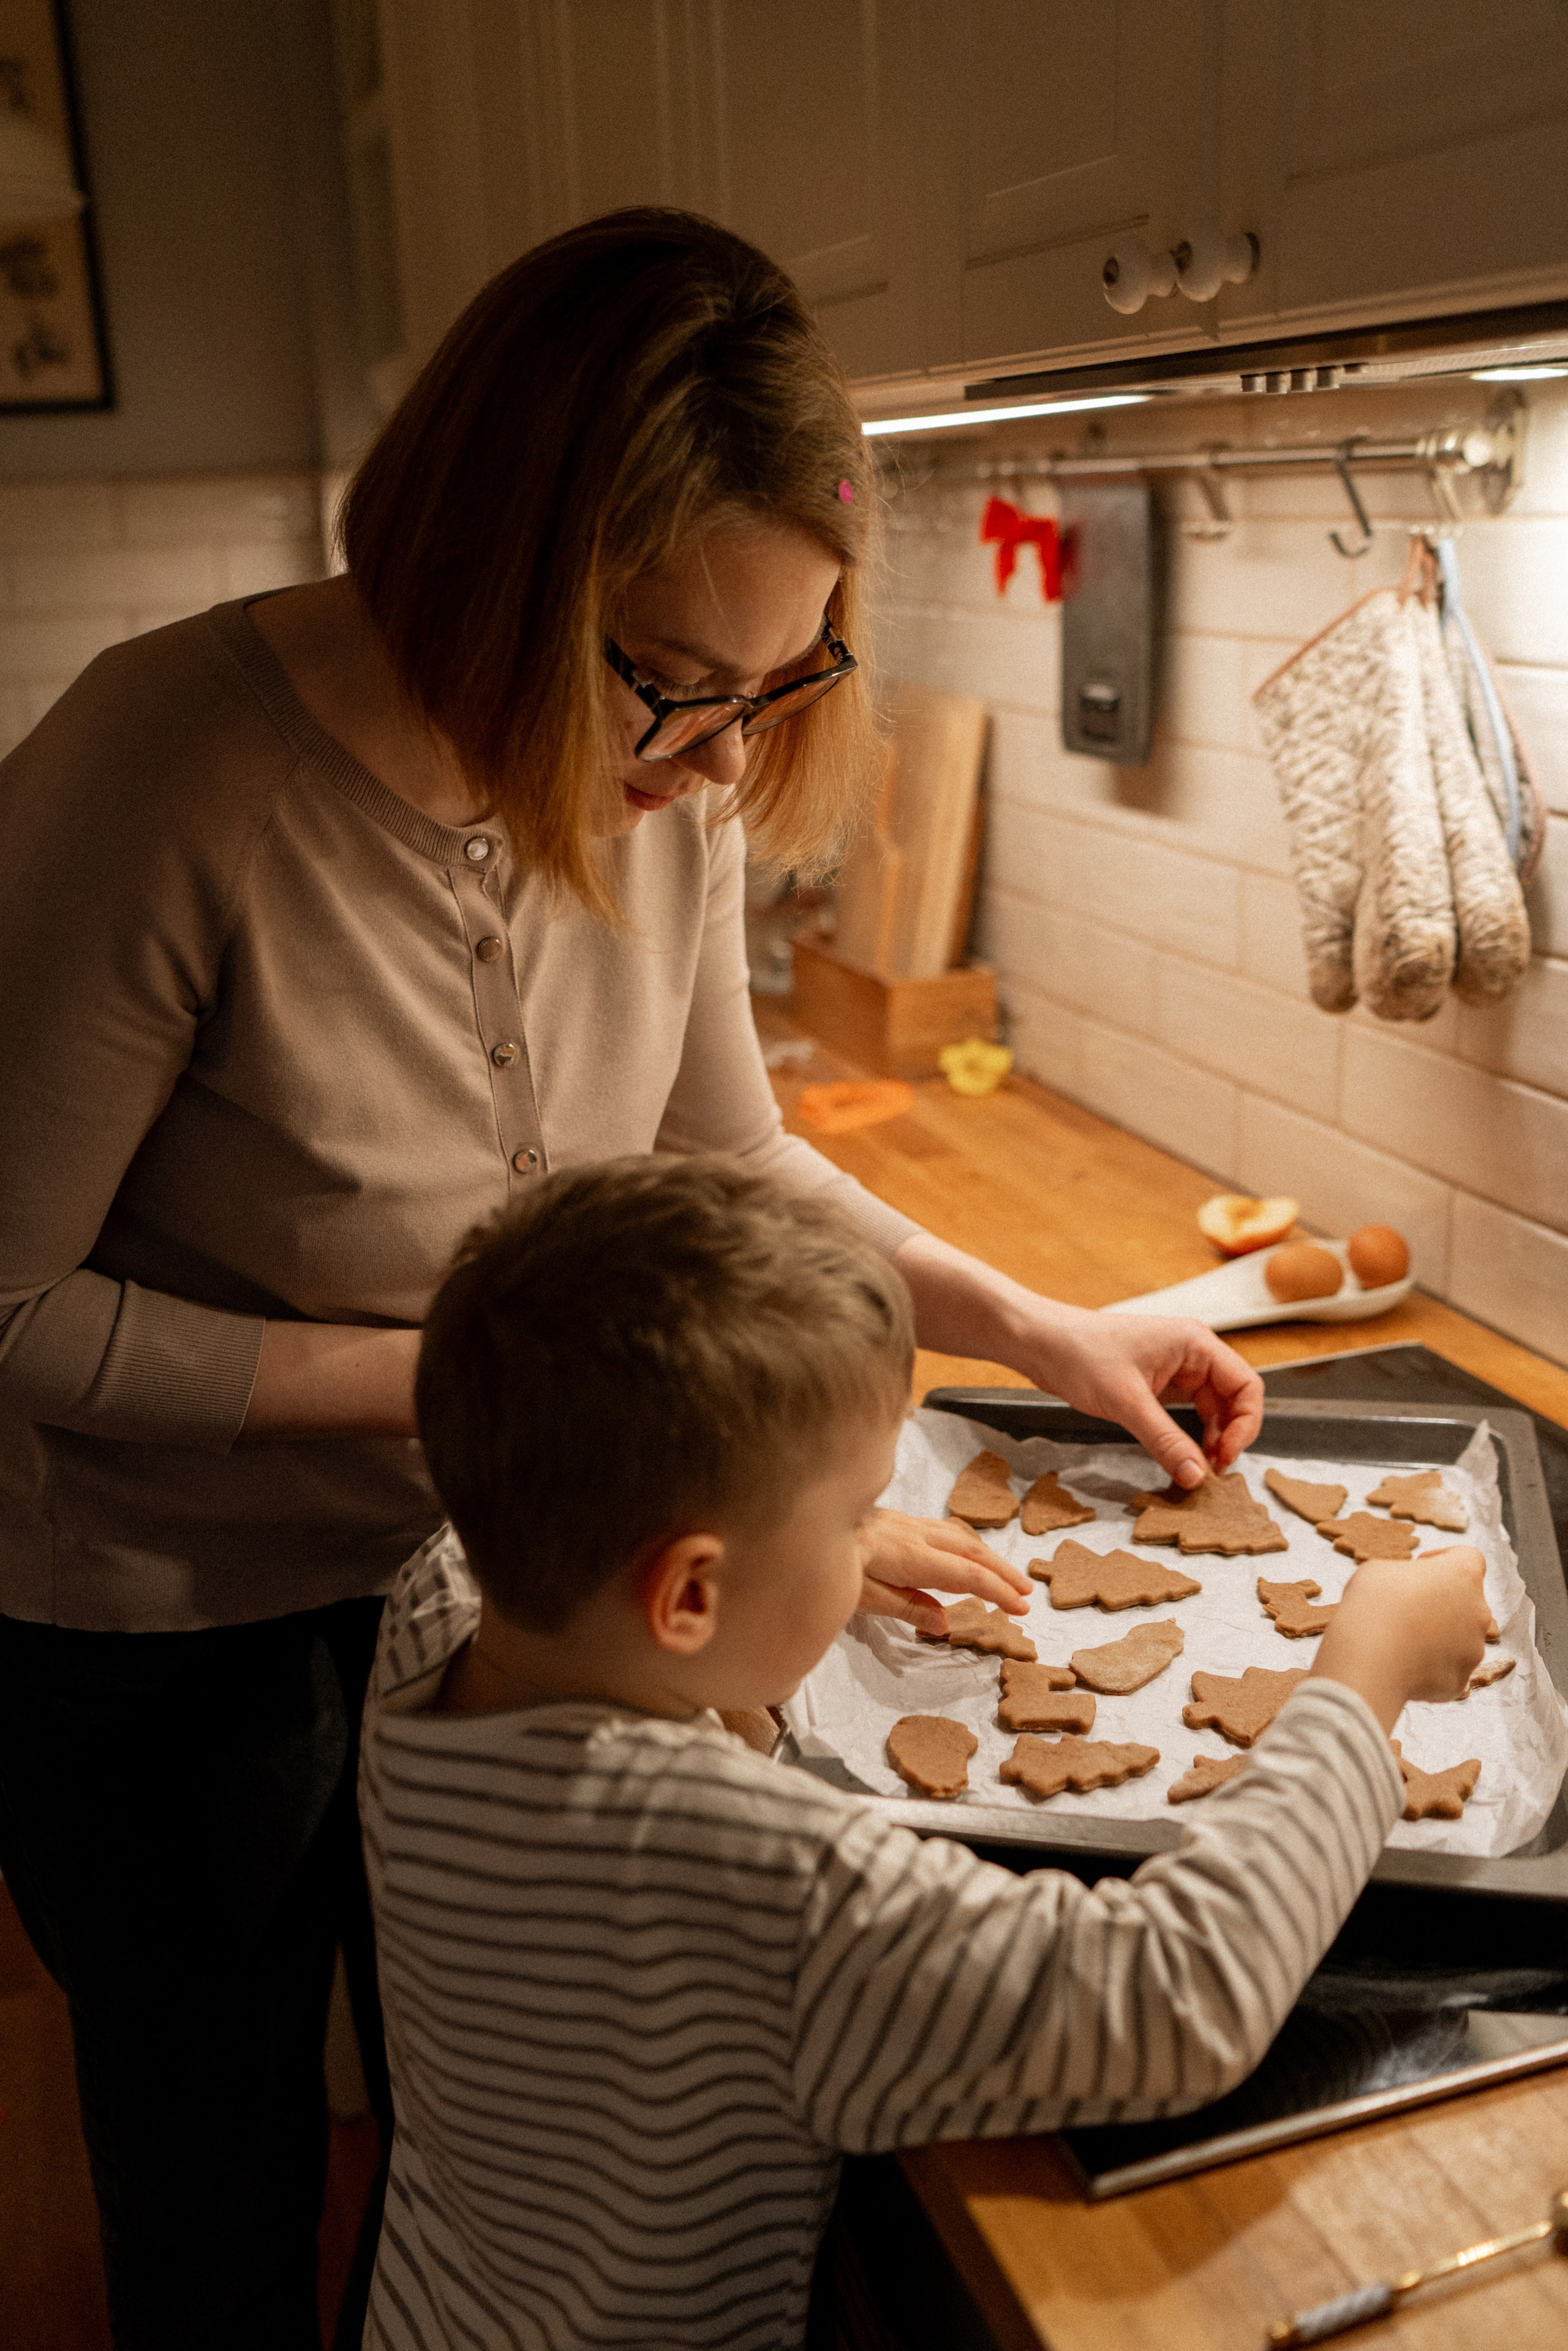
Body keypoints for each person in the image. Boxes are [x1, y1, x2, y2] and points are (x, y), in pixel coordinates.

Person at [0, 208, 1262, 2349]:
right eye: (673, 682)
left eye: (778, 690)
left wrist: (1040, 1323)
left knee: (467, 2117)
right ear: (490, 560)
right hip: (161, 1620)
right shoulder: (164, 769)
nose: (708, 762)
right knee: (211, 2177)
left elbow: (730, 1153)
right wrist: (473, 1383)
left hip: (492, 1571)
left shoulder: (661, 779)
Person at [361, 1155, 1490, 2351]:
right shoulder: (770, 1879)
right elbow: (1174, 1994)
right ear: (687, 1591)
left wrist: (792, 1545)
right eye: (855, 1511)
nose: (871, 1534)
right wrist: (1356, 1681)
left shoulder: (435, 1613)